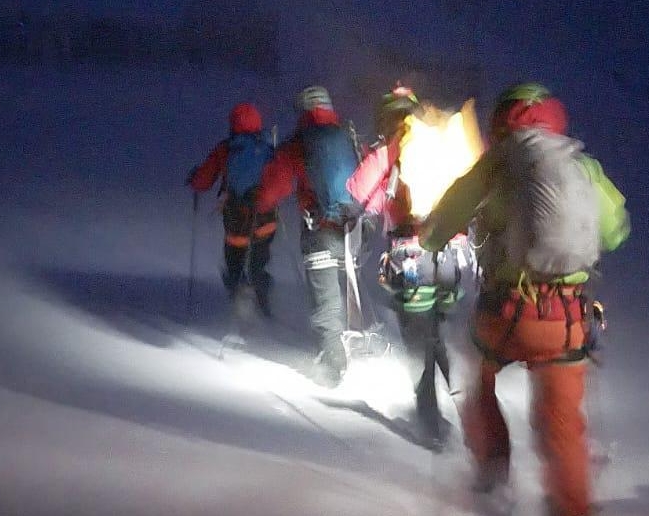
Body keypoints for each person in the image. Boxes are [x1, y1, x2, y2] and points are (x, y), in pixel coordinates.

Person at [420, 83, 631, 516]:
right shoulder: (582, 165)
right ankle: (571, 507)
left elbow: (441, 223)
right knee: (563, 426)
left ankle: (492, 478)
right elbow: (616, 230)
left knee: (476, 376)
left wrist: (433, 235)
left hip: (507, 313)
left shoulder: (497, 164)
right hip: (568, 320)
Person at [346, 84, 484, 448]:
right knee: (442, 330)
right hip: (455, 258)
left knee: (418, 341)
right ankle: (472, 412)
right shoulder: (444, 143)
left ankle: (431, 424)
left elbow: (360, 194)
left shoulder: (391, 149)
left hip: (412, 260)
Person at [254, 86, 361, 388]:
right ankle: (361, 344)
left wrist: (260, 204)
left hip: (321, 230)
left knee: (326, 296)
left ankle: (333, 366)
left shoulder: (298, 143)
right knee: (350, 289)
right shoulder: (346, 134)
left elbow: (273, 188)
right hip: (353, 228)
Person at [187, 102, 277, 318]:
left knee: (235, 259)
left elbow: (204, 180)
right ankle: (263, 301)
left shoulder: (226, 148)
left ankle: (239, 302)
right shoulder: (267, 148)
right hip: (265, 218)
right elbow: (279, 178)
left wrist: (194, 179)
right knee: (259, 259)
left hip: (237, 217)